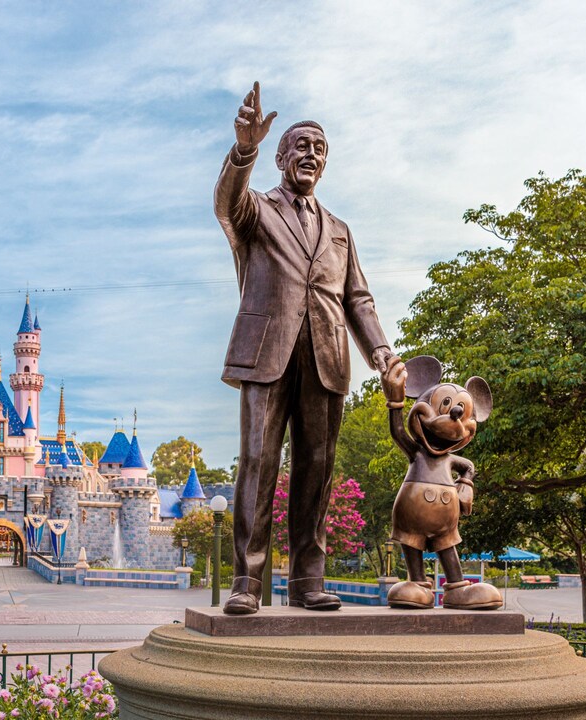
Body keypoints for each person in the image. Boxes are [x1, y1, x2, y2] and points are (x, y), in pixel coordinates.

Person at [215, 82, 399, 615]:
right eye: (301, 146)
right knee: (258, 464)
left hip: (327, 359)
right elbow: (226, 203)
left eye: (319, 148)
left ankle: (307, 581)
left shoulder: (339, 230)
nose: (311, 155)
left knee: (316, 470)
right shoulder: (255, 210)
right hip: (266, 355)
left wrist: (380, 352)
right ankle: (247, 583)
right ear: (280, 157)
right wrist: (243, 150)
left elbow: (357, 298)